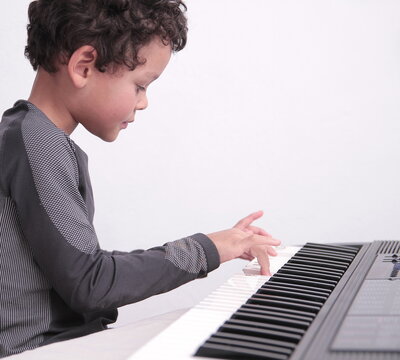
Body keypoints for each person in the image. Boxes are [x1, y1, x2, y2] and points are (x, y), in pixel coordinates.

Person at [0, 0, 280, 357]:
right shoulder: (37, 144)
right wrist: (208, 248)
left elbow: (81, 267)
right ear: (84, 67)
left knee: (213, 326)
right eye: (140, 85)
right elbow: (91, 283)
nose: (144, 102)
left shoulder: (31, 137)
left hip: (62, 342)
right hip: (41, 350)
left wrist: (212, 246)